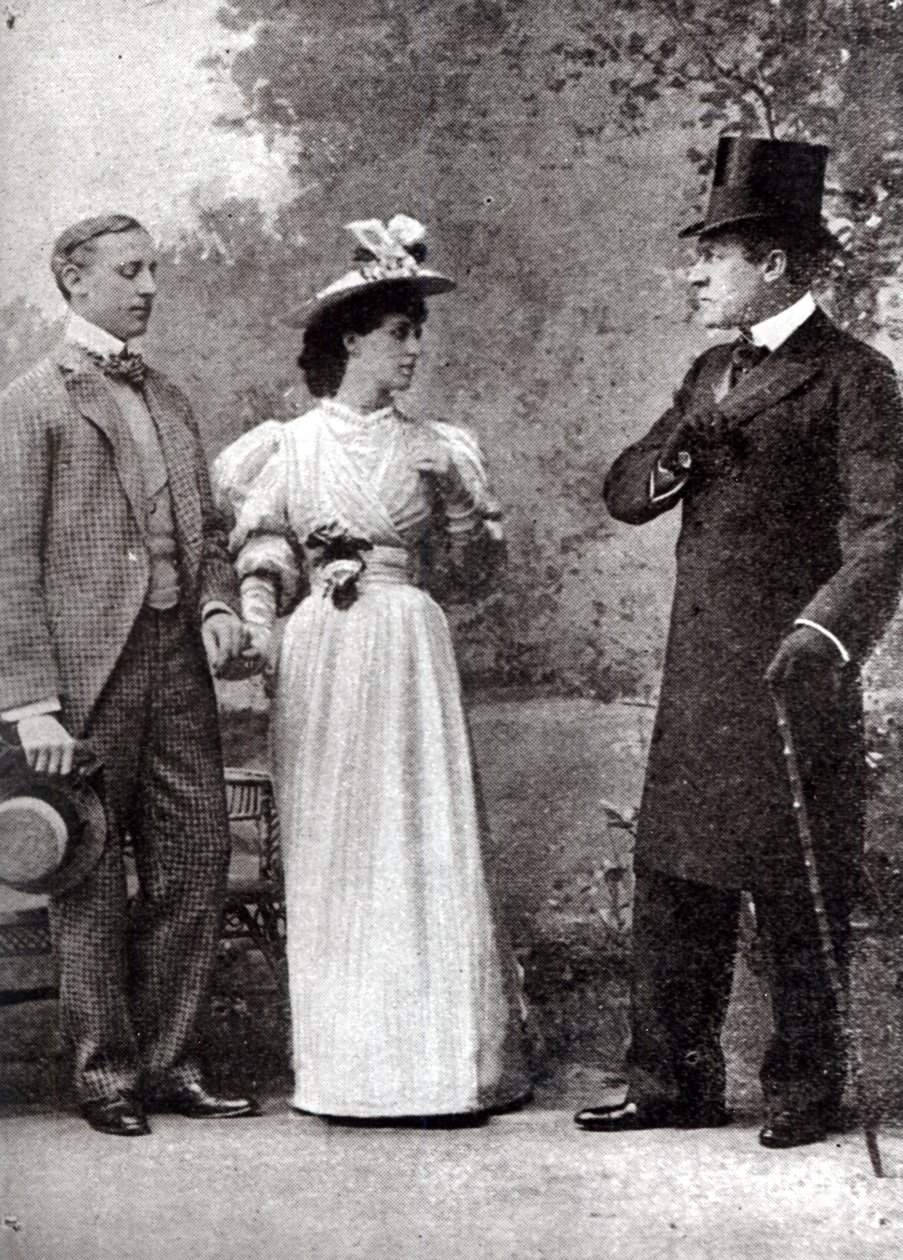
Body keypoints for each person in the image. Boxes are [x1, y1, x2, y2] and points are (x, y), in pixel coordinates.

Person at [575, 138, 903, 1148]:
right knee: (676, 874)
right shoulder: (709, 372)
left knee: (796, 883)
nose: (694, 274)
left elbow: (885, 530)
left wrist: (824, 630)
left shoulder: (853, 377)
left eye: (711, 256)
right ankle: (671, 1082)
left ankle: (807, 1087)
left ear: (773, 262)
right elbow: (625, 494)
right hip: (701, 674)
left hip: (790, 670)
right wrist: (683, 445)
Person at [214, 215, 530, 1125]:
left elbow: (473, 580)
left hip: (407, 642)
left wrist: (460, 501)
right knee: (336, 843)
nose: (414, 349)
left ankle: (440, 1070)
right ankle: (349, 1071)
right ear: (350, 340)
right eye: (398, 332)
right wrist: (261, 626)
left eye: (417, 332)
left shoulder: (440, 446)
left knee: (420, 835)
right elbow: (265, 551)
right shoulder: (288, 445)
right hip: (324, 650)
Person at [0, 214, 261, 1136]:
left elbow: (209, 533)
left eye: (153, 269)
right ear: (73, 280)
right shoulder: (31, 401)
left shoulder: (172, 399)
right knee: (89, 875)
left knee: (196, 860)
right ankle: (103, 1074)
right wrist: (31, 705)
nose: (148, 286)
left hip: (175, 663)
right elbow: (6, 563)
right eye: (128, 271)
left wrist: (217, 606)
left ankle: (171, 1062)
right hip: (81, 681)